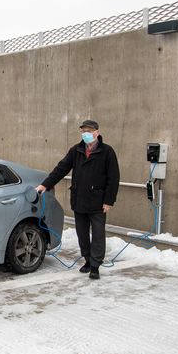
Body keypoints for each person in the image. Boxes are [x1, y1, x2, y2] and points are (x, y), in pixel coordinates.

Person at [36, 119, 120, 280]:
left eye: (88, 131)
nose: (85, 134)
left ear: (96, 132)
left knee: (97, 235)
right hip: (79, 199)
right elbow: (61, 169)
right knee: (82, 234)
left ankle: (95, 266)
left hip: (98, 201)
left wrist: (109, 201)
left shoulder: (107, 152)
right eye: (83, 131)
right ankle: (88, 260)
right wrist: (45, 185)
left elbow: (113, 178)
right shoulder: (76, 150)